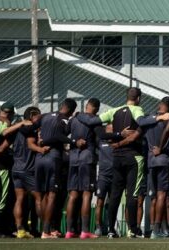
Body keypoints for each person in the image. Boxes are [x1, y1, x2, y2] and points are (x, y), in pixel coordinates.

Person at [99, 87, 168, 238]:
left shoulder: (114, 111)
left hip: (117, 157)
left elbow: (97, 123)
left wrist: (117, 135)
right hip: (133, 157)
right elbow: (141, 121)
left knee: (115, 194)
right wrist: (159, 118)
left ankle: (111, 230)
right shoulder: (137, 110)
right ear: (138, 98)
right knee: (133, 194)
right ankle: (133, 229)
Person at [35, 98, 77, 238]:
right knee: (52, 194)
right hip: (53, 157)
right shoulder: (64, 119)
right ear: (70, 110)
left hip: (39, 157)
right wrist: (73, 141)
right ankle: (47, 231)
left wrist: (39, 141)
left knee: (43, 195)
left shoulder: (45, 116)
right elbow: (59, 135)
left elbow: (31, 128)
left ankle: (45, 229)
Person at [65, 98, 103, 239]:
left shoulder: (74, 119)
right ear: (97, 109)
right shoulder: (94, 120)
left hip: (73, 158)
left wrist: (74, 142)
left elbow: (64, 133)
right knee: (87, 194)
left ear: (86, 106)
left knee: (73, 195)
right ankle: (85, 230)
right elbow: (100, 138)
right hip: (87, 159)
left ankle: (69, 231)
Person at [9, 107, 43, 238]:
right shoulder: (30, 129)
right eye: (38, 116)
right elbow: (33, 145)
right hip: (28, 169)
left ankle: (20, 230)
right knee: (39, 198)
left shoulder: (17, 129)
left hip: (16, 168)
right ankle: (45, 229)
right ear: (32, 115)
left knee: (19, 199)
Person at [146, 97, 169, 238]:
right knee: (162, 195)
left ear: (160, 105)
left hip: (151, 161)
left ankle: (163, 227)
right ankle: (156, 229)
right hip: (164, 160)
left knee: (155, 197)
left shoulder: (150, 119)